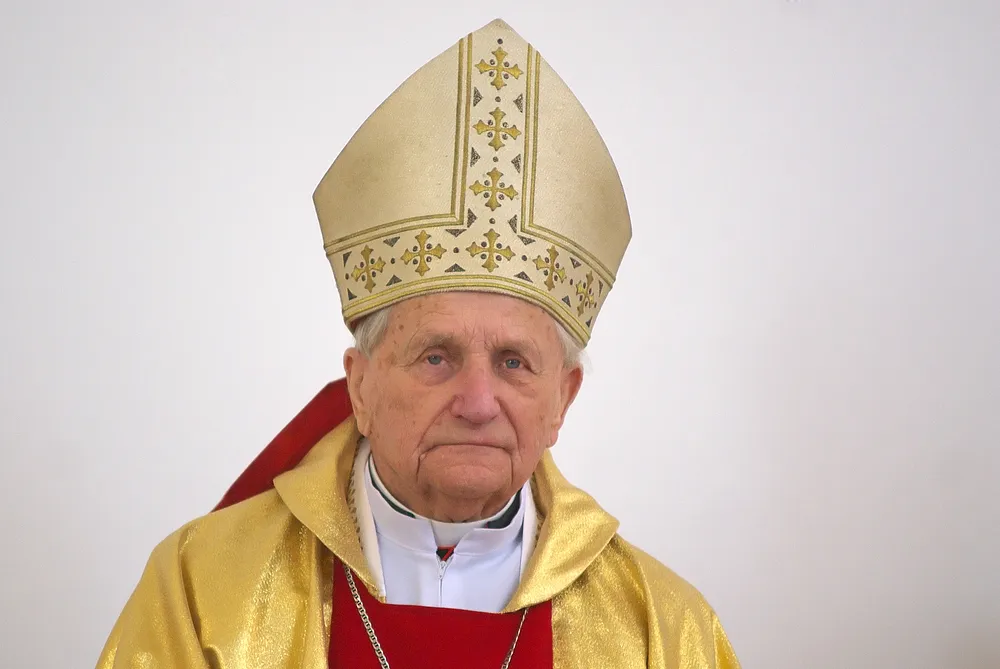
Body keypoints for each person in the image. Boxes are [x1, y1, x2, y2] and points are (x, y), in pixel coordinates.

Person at [97, 18, 740, 668]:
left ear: (562, 400)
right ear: (361, 386)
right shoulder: (204, 591)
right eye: (437, 357)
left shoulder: (661, 627)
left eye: (514, 362)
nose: (478, 402)